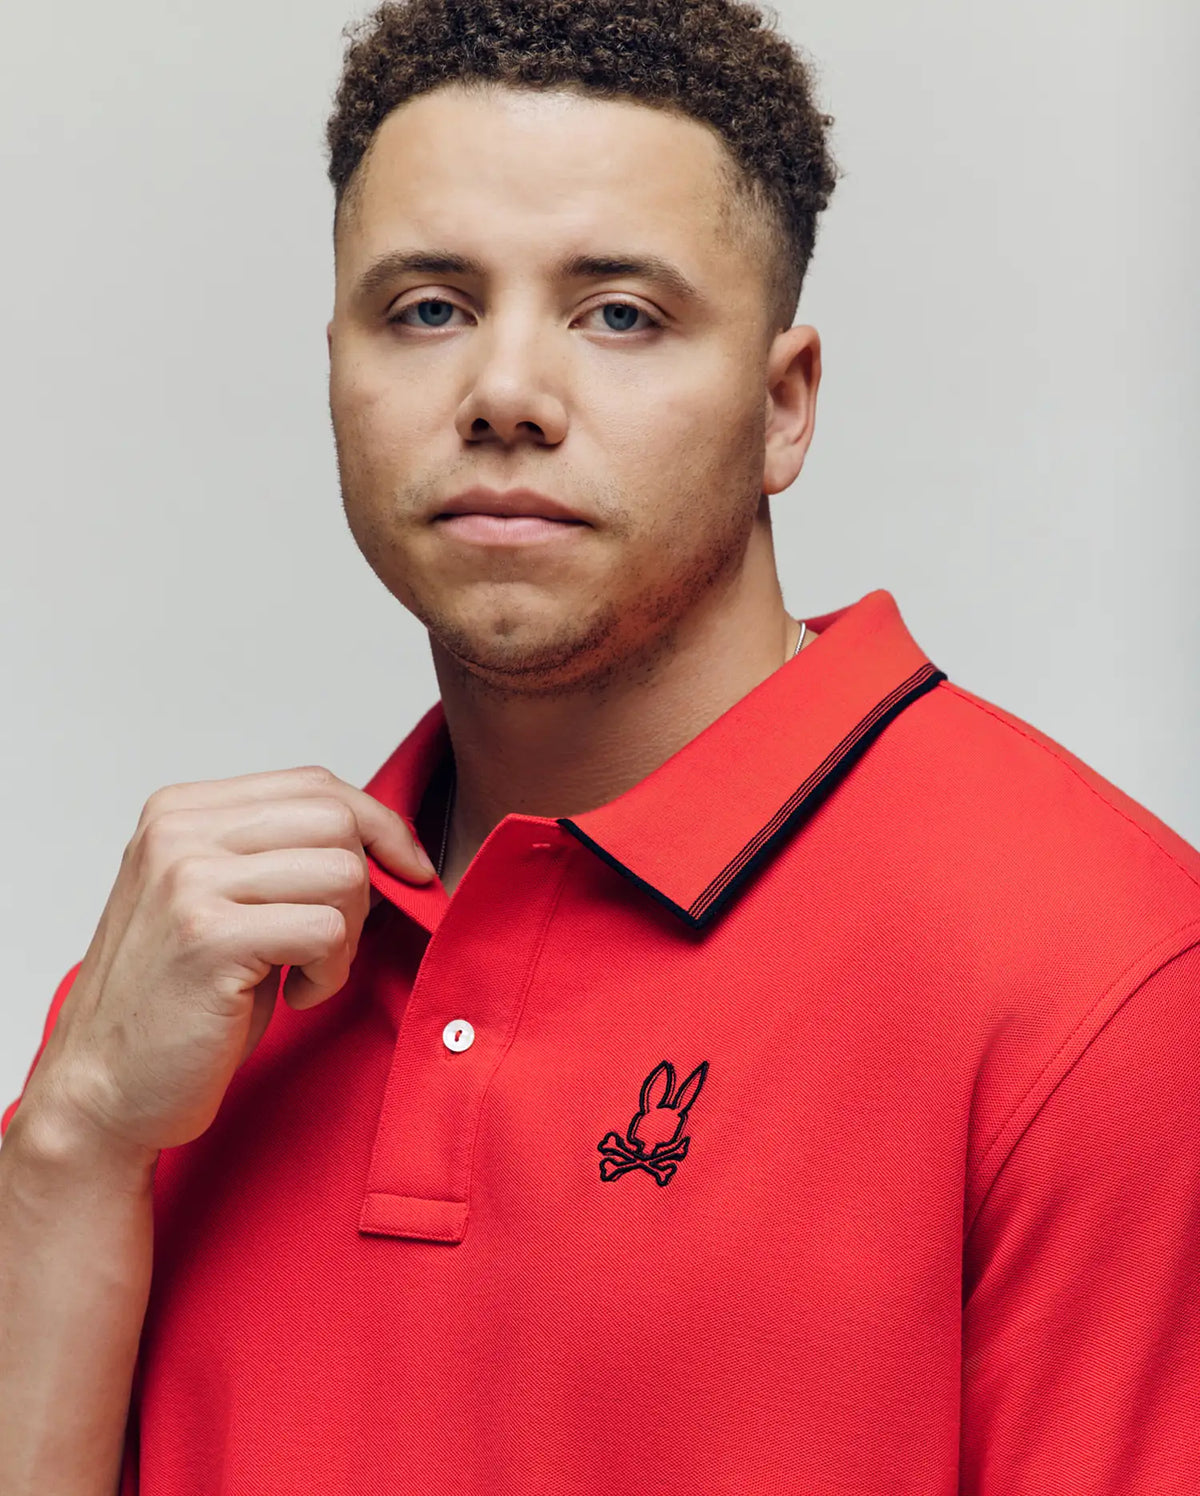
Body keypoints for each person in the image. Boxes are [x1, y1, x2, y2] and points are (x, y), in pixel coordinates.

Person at [2, 0, 1197, 1490]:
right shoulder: (185, 981)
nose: (504, 394)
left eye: (618, 312)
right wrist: (72, 1143)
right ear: (335, 370)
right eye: (427, 307)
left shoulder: (1103, 980)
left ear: (783, 407)